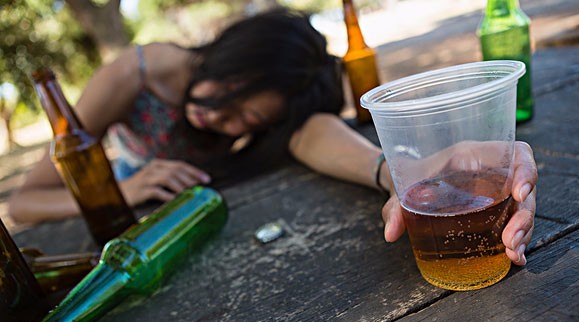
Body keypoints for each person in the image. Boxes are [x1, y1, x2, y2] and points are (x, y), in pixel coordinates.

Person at [7, 8, 537, 266]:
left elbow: (312, 134)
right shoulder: (137, 72)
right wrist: (128, 187)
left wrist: (406, 172)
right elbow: (24, 205)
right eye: (233, 95)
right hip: (121, 208)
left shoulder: (278, 116)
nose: (226, 121)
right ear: (236, 53)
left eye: (251, 123)